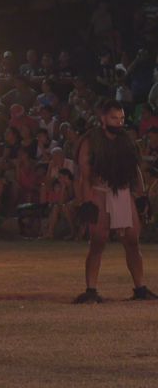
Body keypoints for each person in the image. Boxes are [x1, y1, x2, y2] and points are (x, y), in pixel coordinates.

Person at [75, 100, 157, 303]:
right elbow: (84, 175)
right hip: (100, 192)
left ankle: (140, 288)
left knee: (132, 241)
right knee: (98, 242)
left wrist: (140, 195)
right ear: (103, 118)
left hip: (123, 192)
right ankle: (91, 290)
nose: (119, 122)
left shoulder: (126, 140)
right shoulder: (91, 140)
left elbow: (135, 168)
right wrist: (86, 202)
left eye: (121, 118)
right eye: (114, 118)